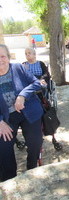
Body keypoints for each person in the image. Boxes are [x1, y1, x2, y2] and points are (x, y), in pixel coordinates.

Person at [0, 44, 43, 182]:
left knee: (35, 143)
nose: (0, 60)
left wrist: (22, 95)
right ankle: (10, 181)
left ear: (8, 57)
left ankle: (32, 171)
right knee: (4, 149)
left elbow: (36, 83)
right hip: (6, 118)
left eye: (2, 56)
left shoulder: (18, 68)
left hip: (28, 111)